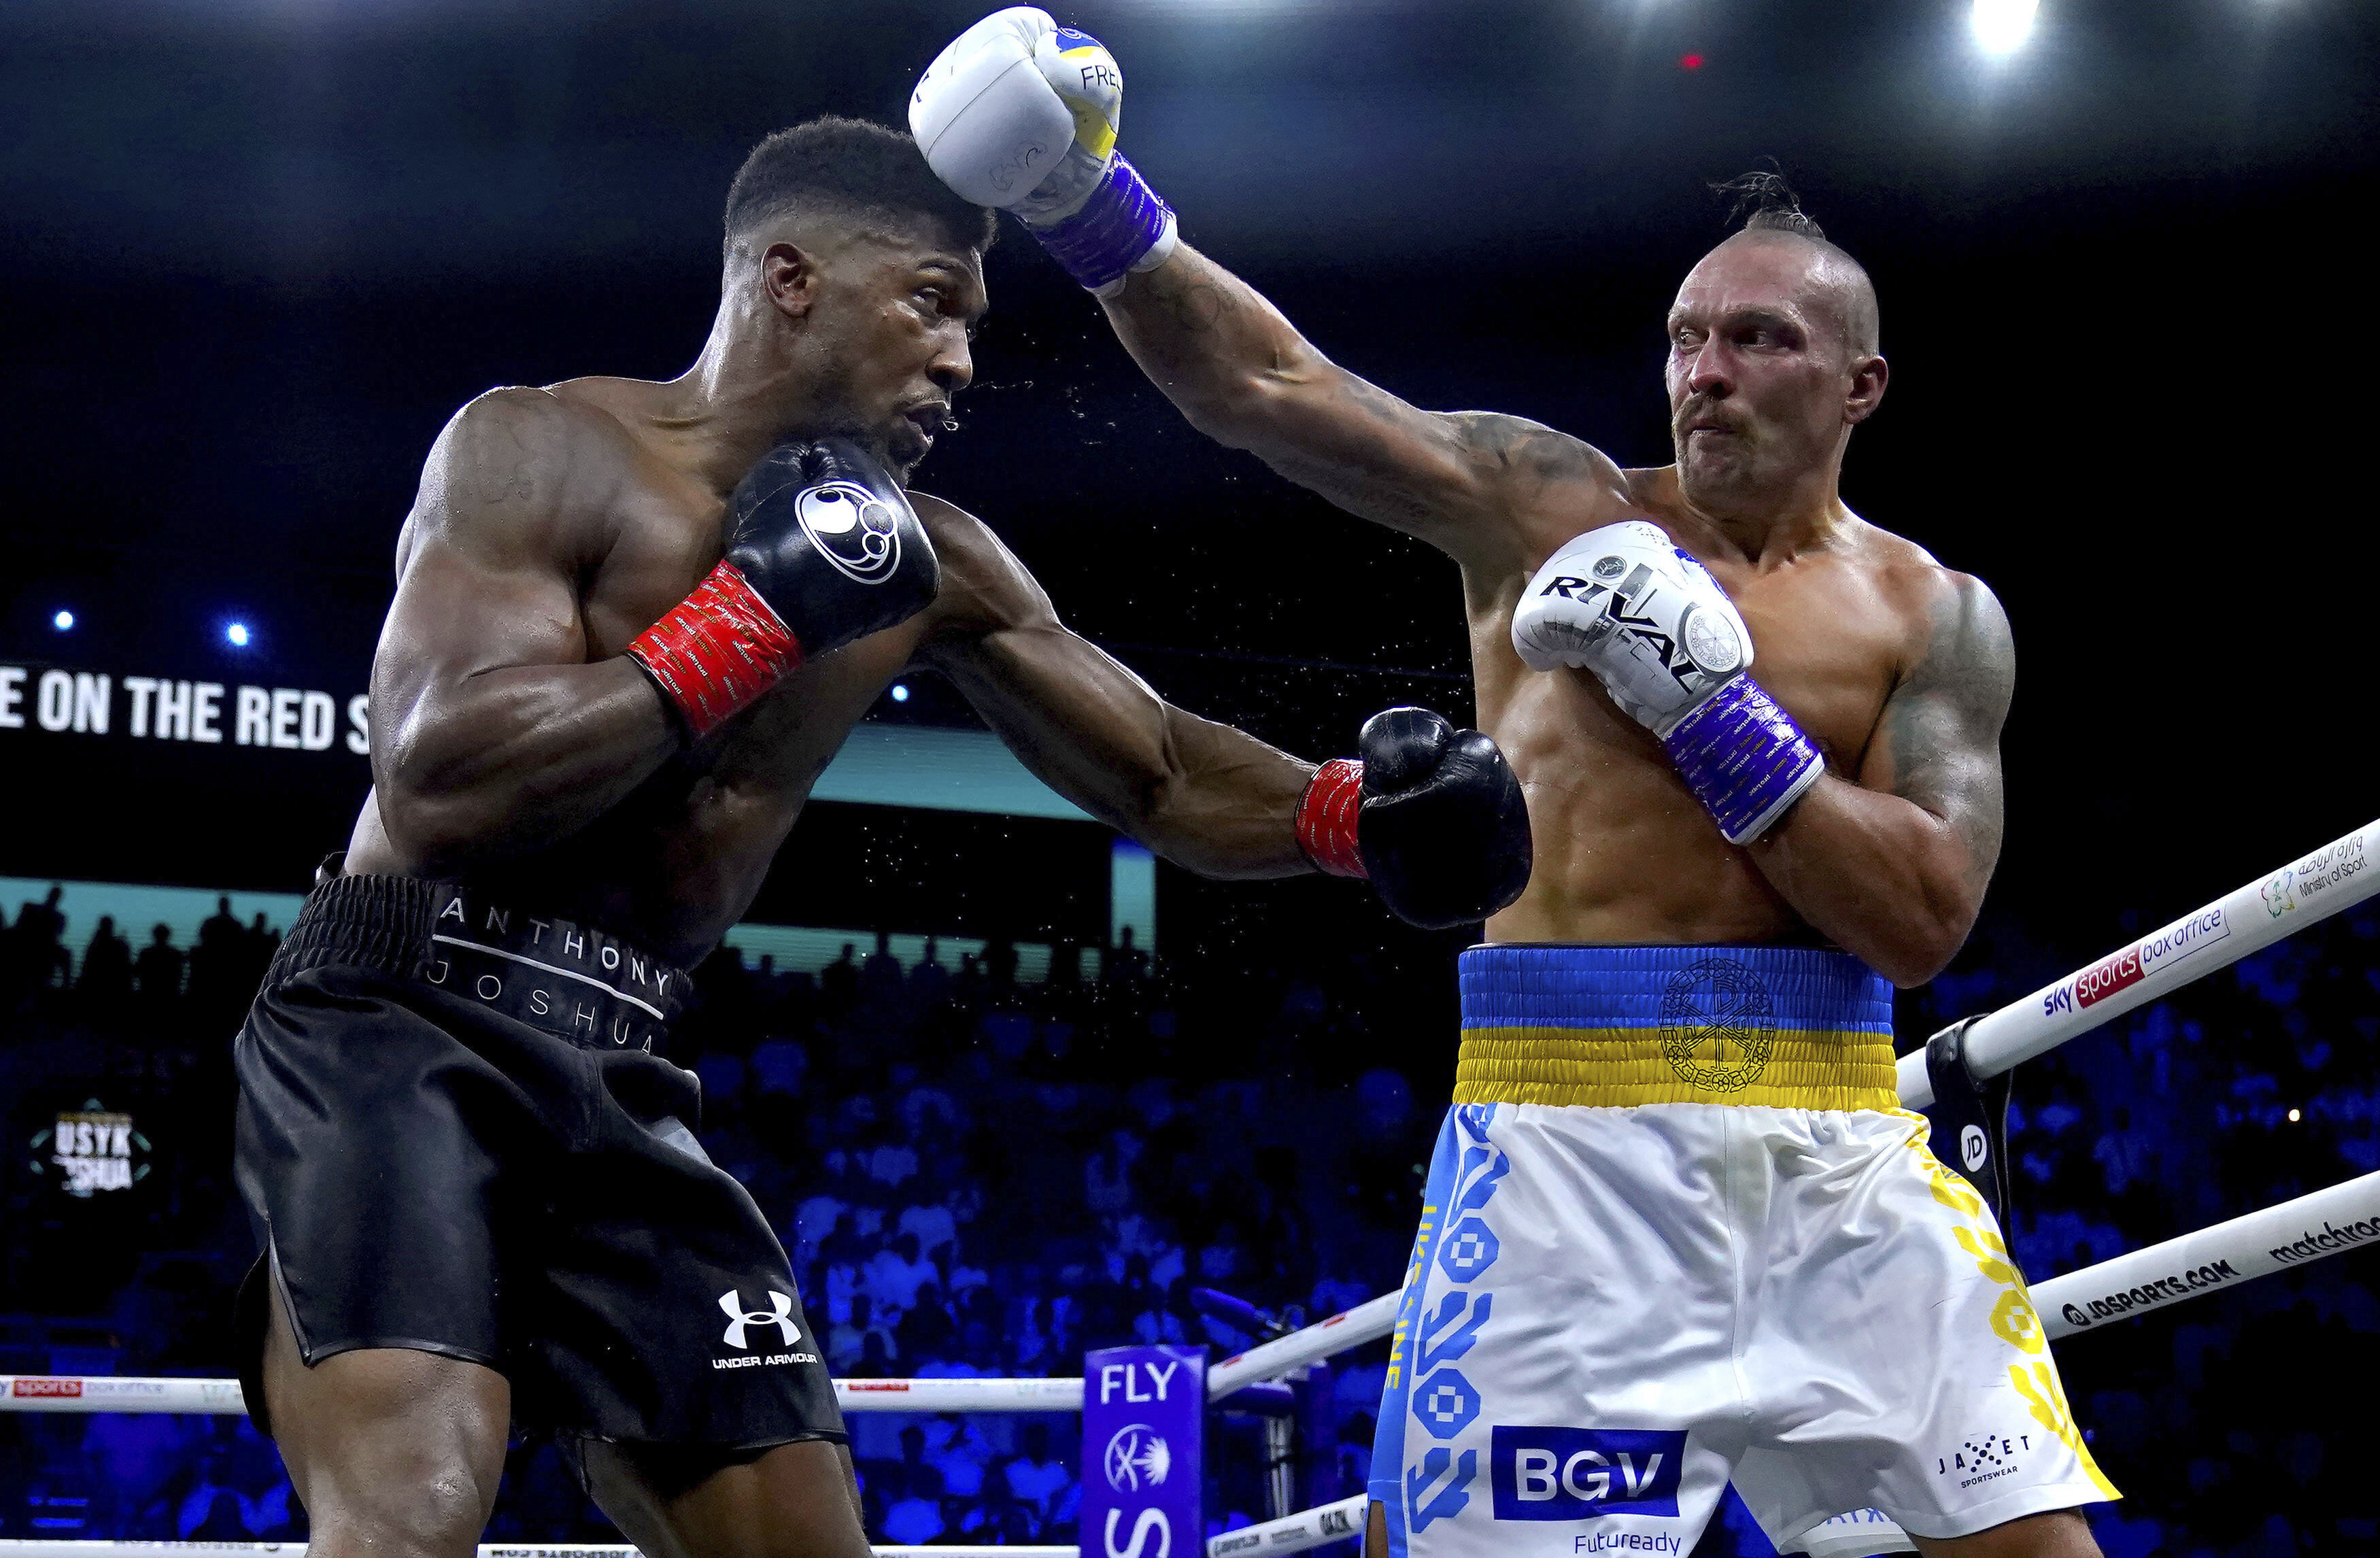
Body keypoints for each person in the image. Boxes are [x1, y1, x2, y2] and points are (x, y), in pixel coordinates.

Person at [231, 114, 1532, 1558]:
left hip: (617, 1059)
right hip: (402, 1020)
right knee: (412, 1513)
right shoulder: (542, 448)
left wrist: (1352, 817)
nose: (963, 361)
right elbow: (437, 783)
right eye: (931, 303)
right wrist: (753, 621)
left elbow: (1157, 772)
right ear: (789, 277)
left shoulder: (936, 557)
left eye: (973, 322)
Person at [911, 19, 2112, 1557]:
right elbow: (1272, 390)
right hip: (1570, 1164)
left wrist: (1710, 714)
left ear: (1861, 382)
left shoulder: (1935, 614)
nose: (1705, 371)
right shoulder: (1553, 509)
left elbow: (1924, 920)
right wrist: (1085, 205)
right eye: (1687, 336)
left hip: (1845, 1161)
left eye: (1759, 340)